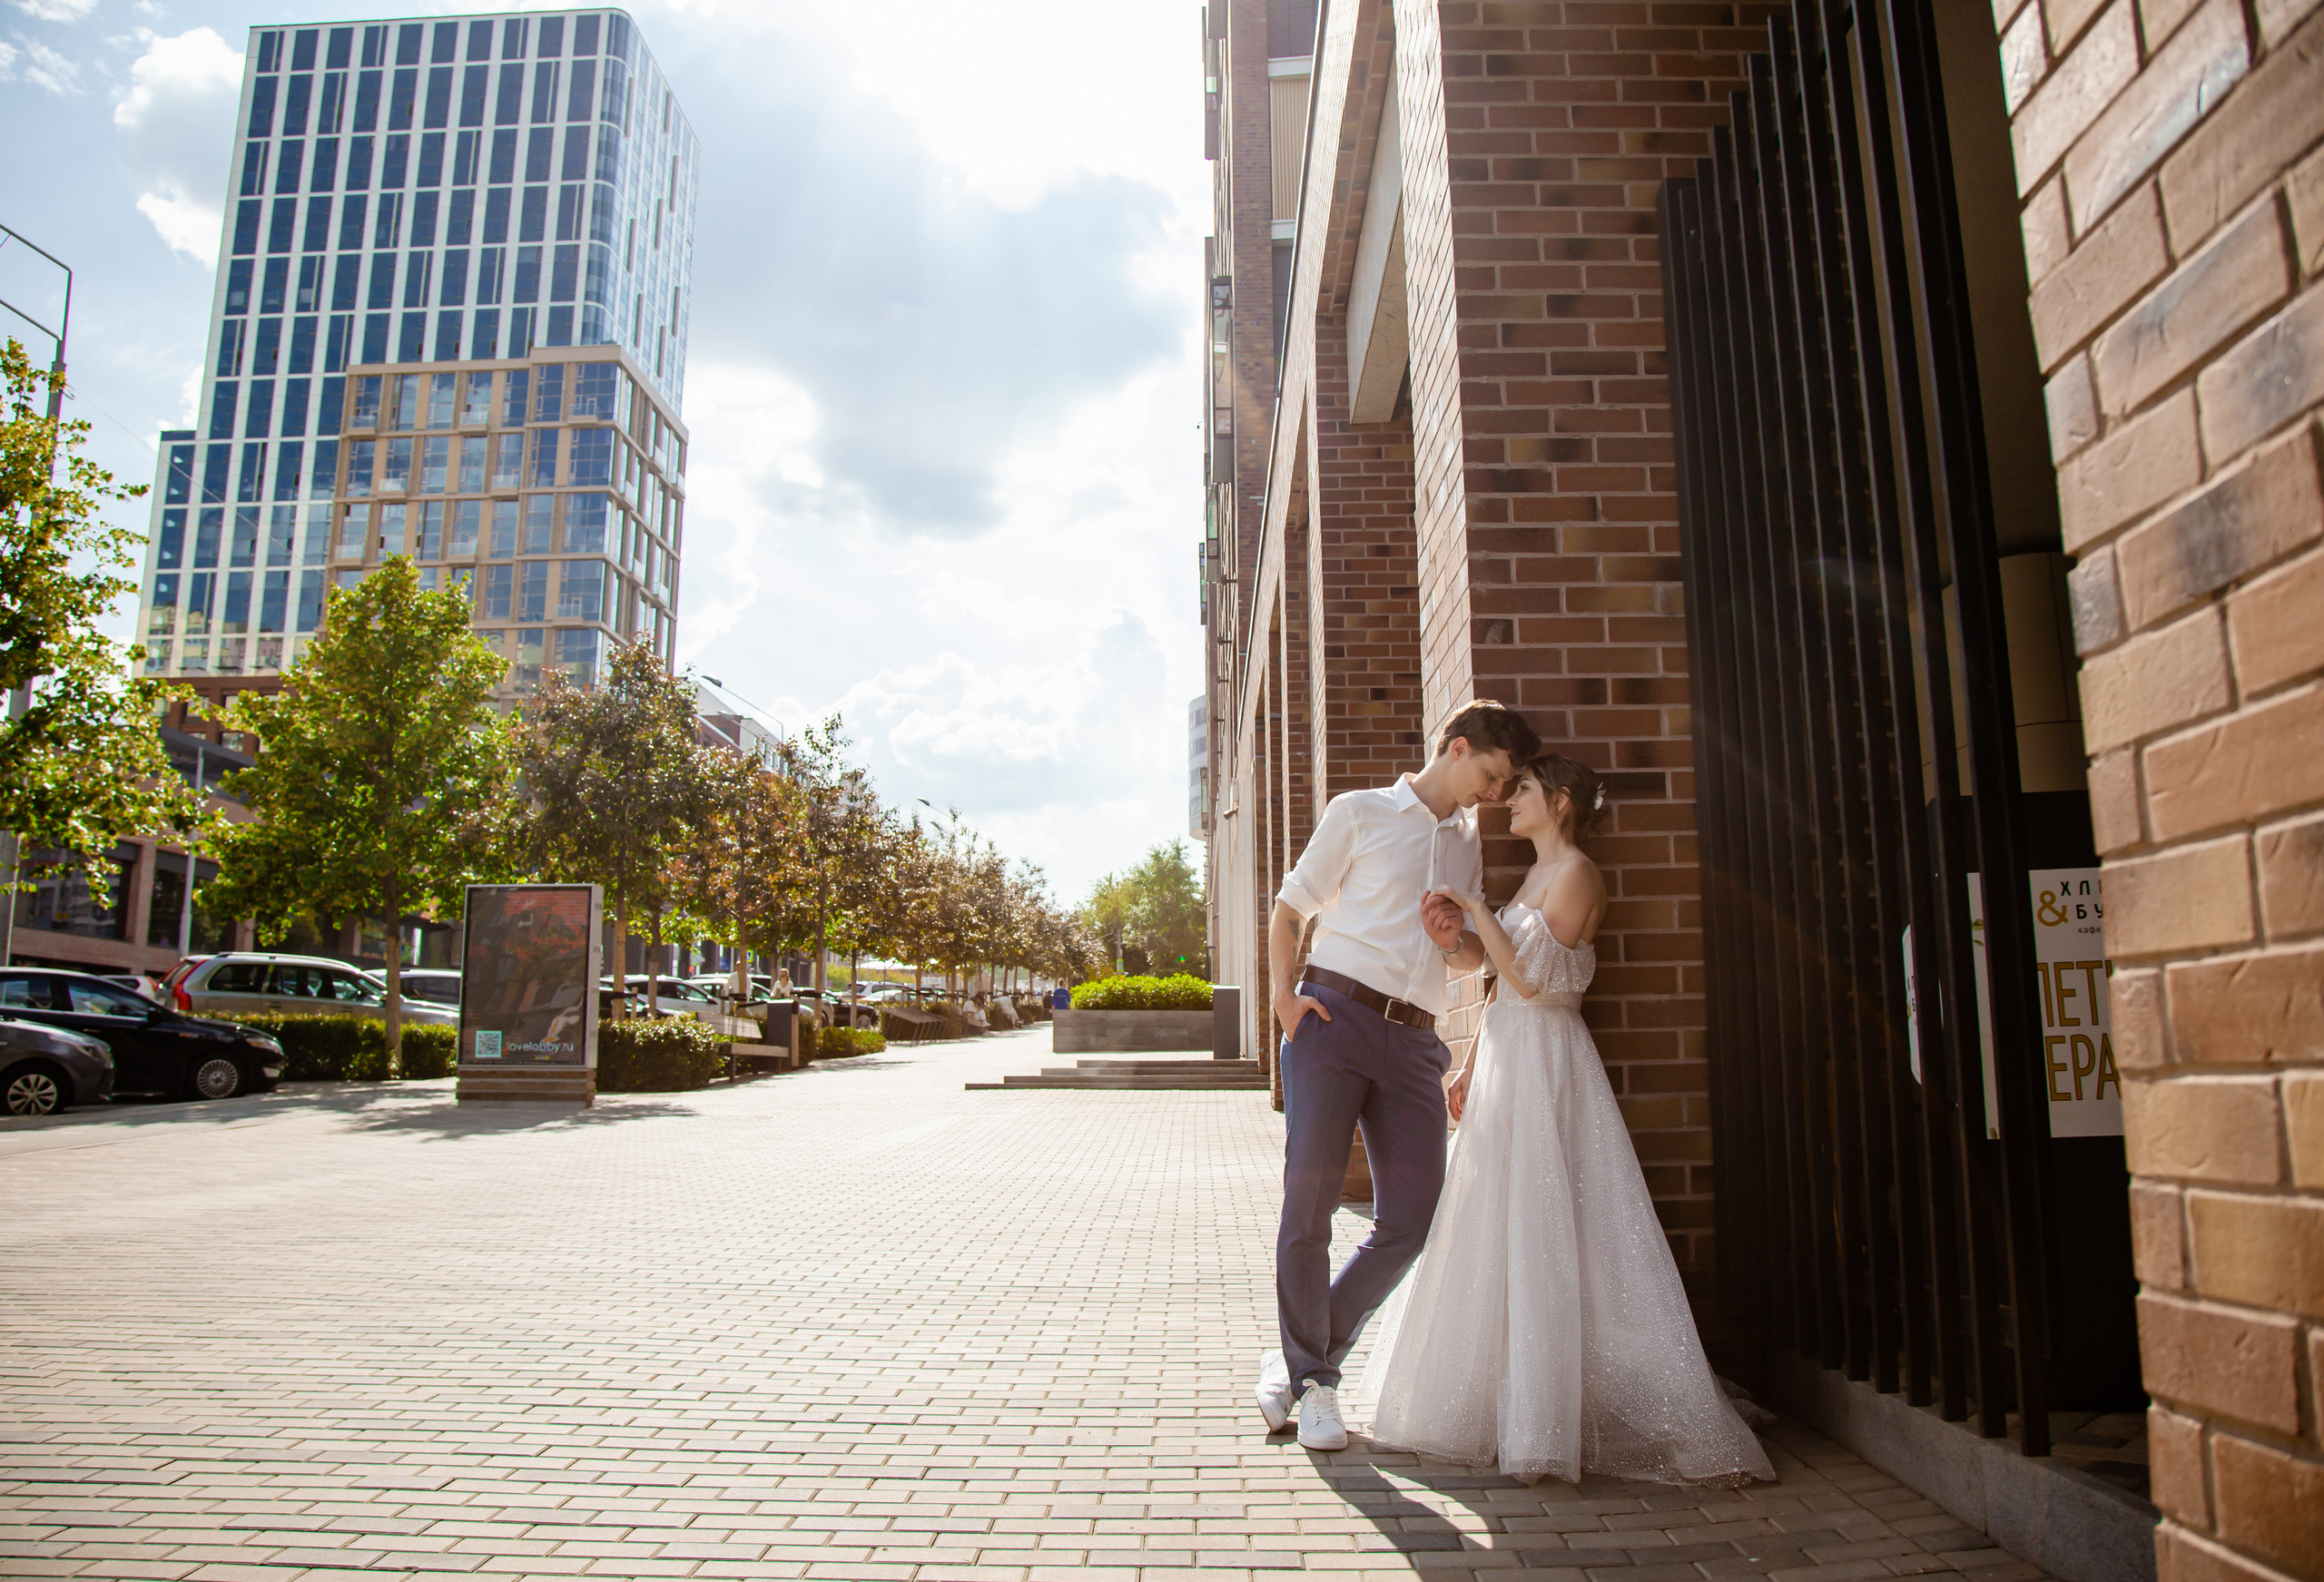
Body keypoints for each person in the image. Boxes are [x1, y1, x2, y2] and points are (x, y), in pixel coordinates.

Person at [1359, 753, 1774, 1486]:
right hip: (1510, 1056)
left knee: (1554, 1220)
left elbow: (1530, 977)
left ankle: (1547, 1414)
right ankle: (1494, 1396)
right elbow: (1494, 984)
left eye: (1519, 791)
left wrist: (1479, 906)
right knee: (1498, 1218)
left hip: (1550, 1061)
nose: (1508, 802)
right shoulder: (1531, 879)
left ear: (1556, 802)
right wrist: (1469, 1049)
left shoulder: (1578, 872)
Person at [1255, 699, 1541, 1451]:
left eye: (1505, 781)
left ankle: (1302, 1360)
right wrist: (1284, 1001)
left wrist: (1455, 941)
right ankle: (1316, 1380)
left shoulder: (1465, 844)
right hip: (1334, 1019)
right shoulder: (1360, 812)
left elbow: (1470, 957)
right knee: (1309, 1204)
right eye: (1490, 772)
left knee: (1413, 1217)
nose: (1493, 791)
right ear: (1455, 747)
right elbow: (1289, 909)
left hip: (1416, 1041)